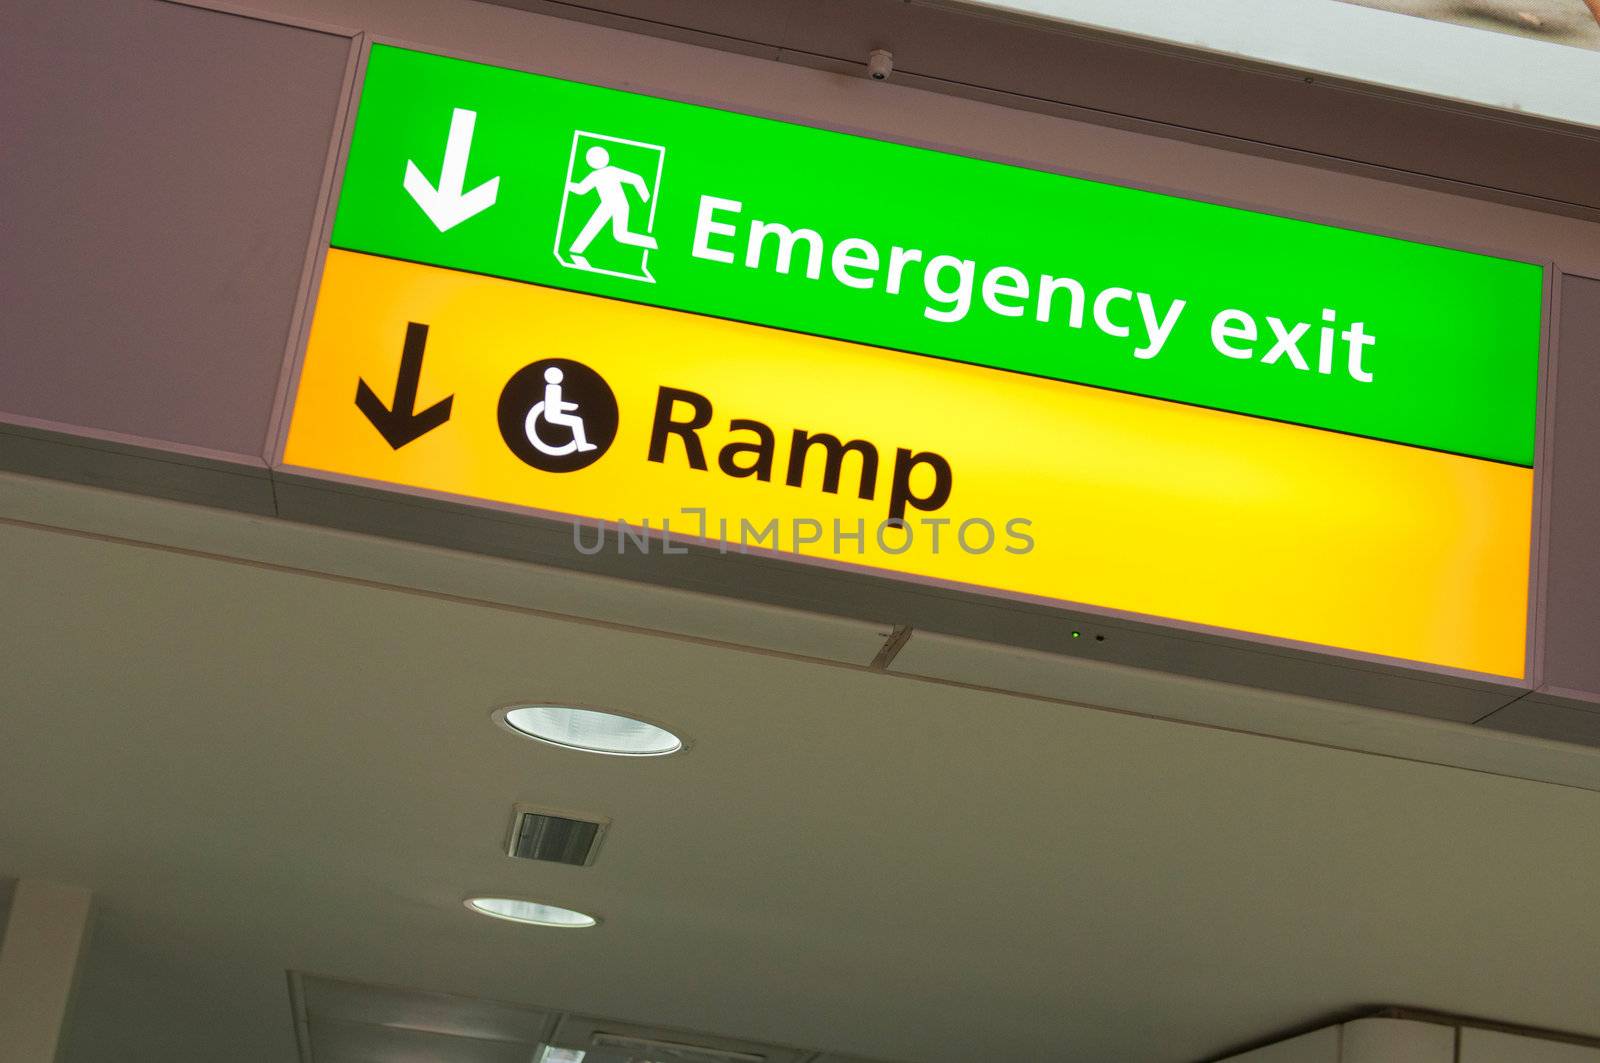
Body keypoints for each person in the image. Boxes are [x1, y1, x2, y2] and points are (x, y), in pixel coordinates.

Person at [567, 145, 658, 258]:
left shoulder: (610, 171)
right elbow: (581, 189)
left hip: (618, 206)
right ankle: (576, 250)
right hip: (609, 205)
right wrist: (567, 184)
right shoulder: (595, 175)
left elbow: (637, 179)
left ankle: (652, 243)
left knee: (620, 235)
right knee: (604, 230)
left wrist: (646, 198)